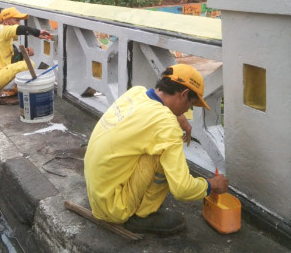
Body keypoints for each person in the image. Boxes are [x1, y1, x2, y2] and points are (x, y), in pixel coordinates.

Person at [84, 64, 229, 235]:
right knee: (162, 155)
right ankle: (142, 216)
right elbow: (182, 189)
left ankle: (135, 205)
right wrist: (211, 184)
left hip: (98, 193)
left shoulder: (136, 92)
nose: (187, 110)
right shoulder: (165, 124)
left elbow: (157, 113)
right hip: (114, 208)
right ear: (183, 95)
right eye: (190, 104)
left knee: (153, 145)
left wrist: (178, 117)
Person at [0, 7, 52, 105]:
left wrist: (24, 54)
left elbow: (12, 62)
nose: (19, 23)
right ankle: (3, 94)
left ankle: (3, 92)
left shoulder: (5, 38)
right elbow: (19, 29)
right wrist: (37, 33)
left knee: (24, 63)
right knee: (29, 64)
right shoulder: (2, 30)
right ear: (6, 21)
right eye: (16, 20)